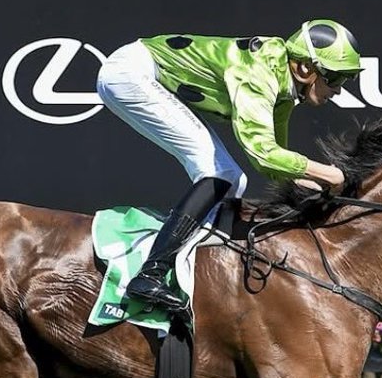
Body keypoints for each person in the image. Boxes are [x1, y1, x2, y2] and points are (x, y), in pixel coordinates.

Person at [95, 19, 362, 312]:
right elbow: (263, 153)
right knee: (219, 173)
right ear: (304, 68)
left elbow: (275, 164)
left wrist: (321, 185)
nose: (337, 91)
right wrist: (329, 173)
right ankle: (150, 275)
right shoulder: (259, 73)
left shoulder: (285, 89)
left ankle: (192, 269)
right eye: (335, 78)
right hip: (131, 75)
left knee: (234, 179)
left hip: (141, 74)